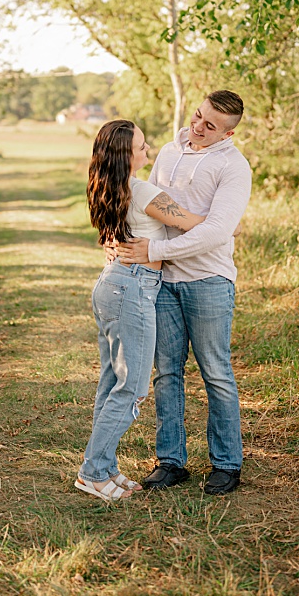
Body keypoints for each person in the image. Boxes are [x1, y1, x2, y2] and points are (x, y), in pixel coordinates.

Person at [112, 91, 252, 497]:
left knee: (216, 373)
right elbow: (147, 208)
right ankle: (171, 461)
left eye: (210, 125)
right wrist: (124, 242)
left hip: (208, 280)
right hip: (162, 282)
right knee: (167, 373)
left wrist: (155, 250)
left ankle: (226, 464)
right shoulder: (169, 153)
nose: (197, 127)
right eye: (197, 116)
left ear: (227, 134)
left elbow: (214, 233)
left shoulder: (234, 167)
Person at [76, 119, 209, 503]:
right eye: (141, 147)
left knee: (112, 382)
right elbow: (191, 224)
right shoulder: (143, 190)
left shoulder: (108, 186)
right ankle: (92, 472)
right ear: (125, 155)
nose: (147, 151)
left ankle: (105, 468)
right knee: (132, 388)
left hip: (114, 285)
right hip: (131, 289)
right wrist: (227, 224)